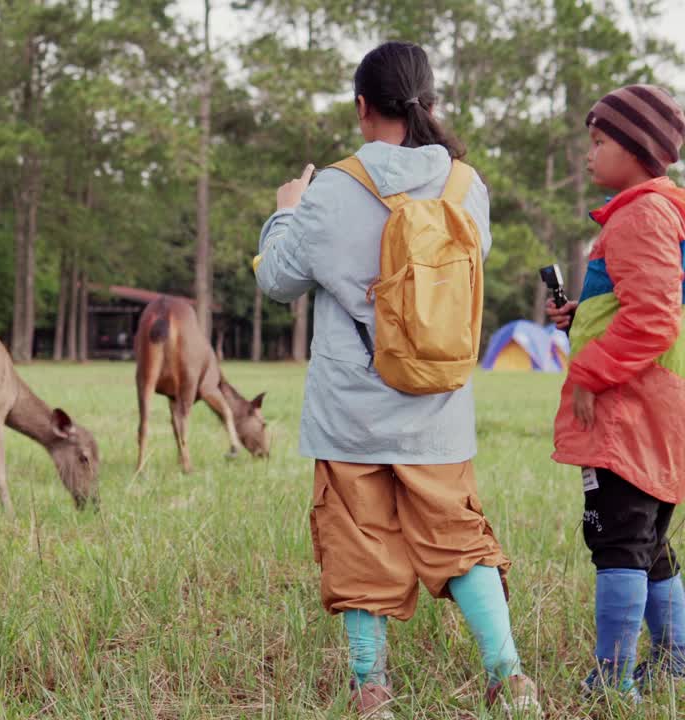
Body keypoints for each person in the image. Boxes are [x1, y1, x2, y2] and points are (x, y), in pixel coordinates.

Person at [255, 41, 538, 717]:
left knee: (357, 544)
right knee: (460, 540)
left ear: (362, 108)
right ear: (429, 103)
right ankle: (510, 678)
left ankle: (372, 691)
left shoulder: (333, 188)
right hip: (438, 406)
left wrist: (287, 208)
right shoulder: (467, 188)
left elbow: (276, 280)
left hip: (350, 411)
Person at [546, 83, 685, 701]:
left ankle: (612, 680)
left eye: (599, 143)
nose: (589, 155)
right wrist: (587, 314)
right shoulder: (659, 213)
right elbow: (642, 303)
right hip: (658, 414)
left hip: (629, 416)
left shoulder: (640, 215)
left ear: (635, 148)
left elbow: (655, 317)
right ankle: (676, 661)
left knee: (619, 545)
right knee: (650, 546)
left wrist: (589, 368)